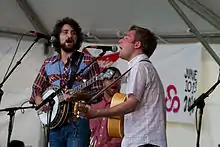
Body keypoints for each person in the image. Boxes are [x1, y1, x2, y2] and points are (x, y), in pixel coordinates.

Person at [85, 25, 167, 147]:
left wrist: (97, 112)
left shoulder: (140, 67)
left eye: (126, 38)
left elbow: (131, 104)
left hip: (144, 141)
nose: (120, 41)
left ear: (137, 44)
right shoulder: (141, 67)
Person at [29, 17, 102, 147]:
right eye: (65, 32)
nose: (70, 36)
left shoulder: (88, 61)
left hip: (78, 121)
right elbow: (36, 88)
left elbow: (98, 92)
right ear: (57, 37)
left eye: (73, 33)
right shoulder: (48, 63)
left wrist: (79, 96)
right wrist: (40, 101)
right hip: (54, 125)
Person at [89, 67, 122, 147]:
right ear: (102, 82)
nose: (114, 81)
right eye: (109, 78)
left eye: (117, 78)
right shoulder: (94, 105)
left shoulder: (124, 104)